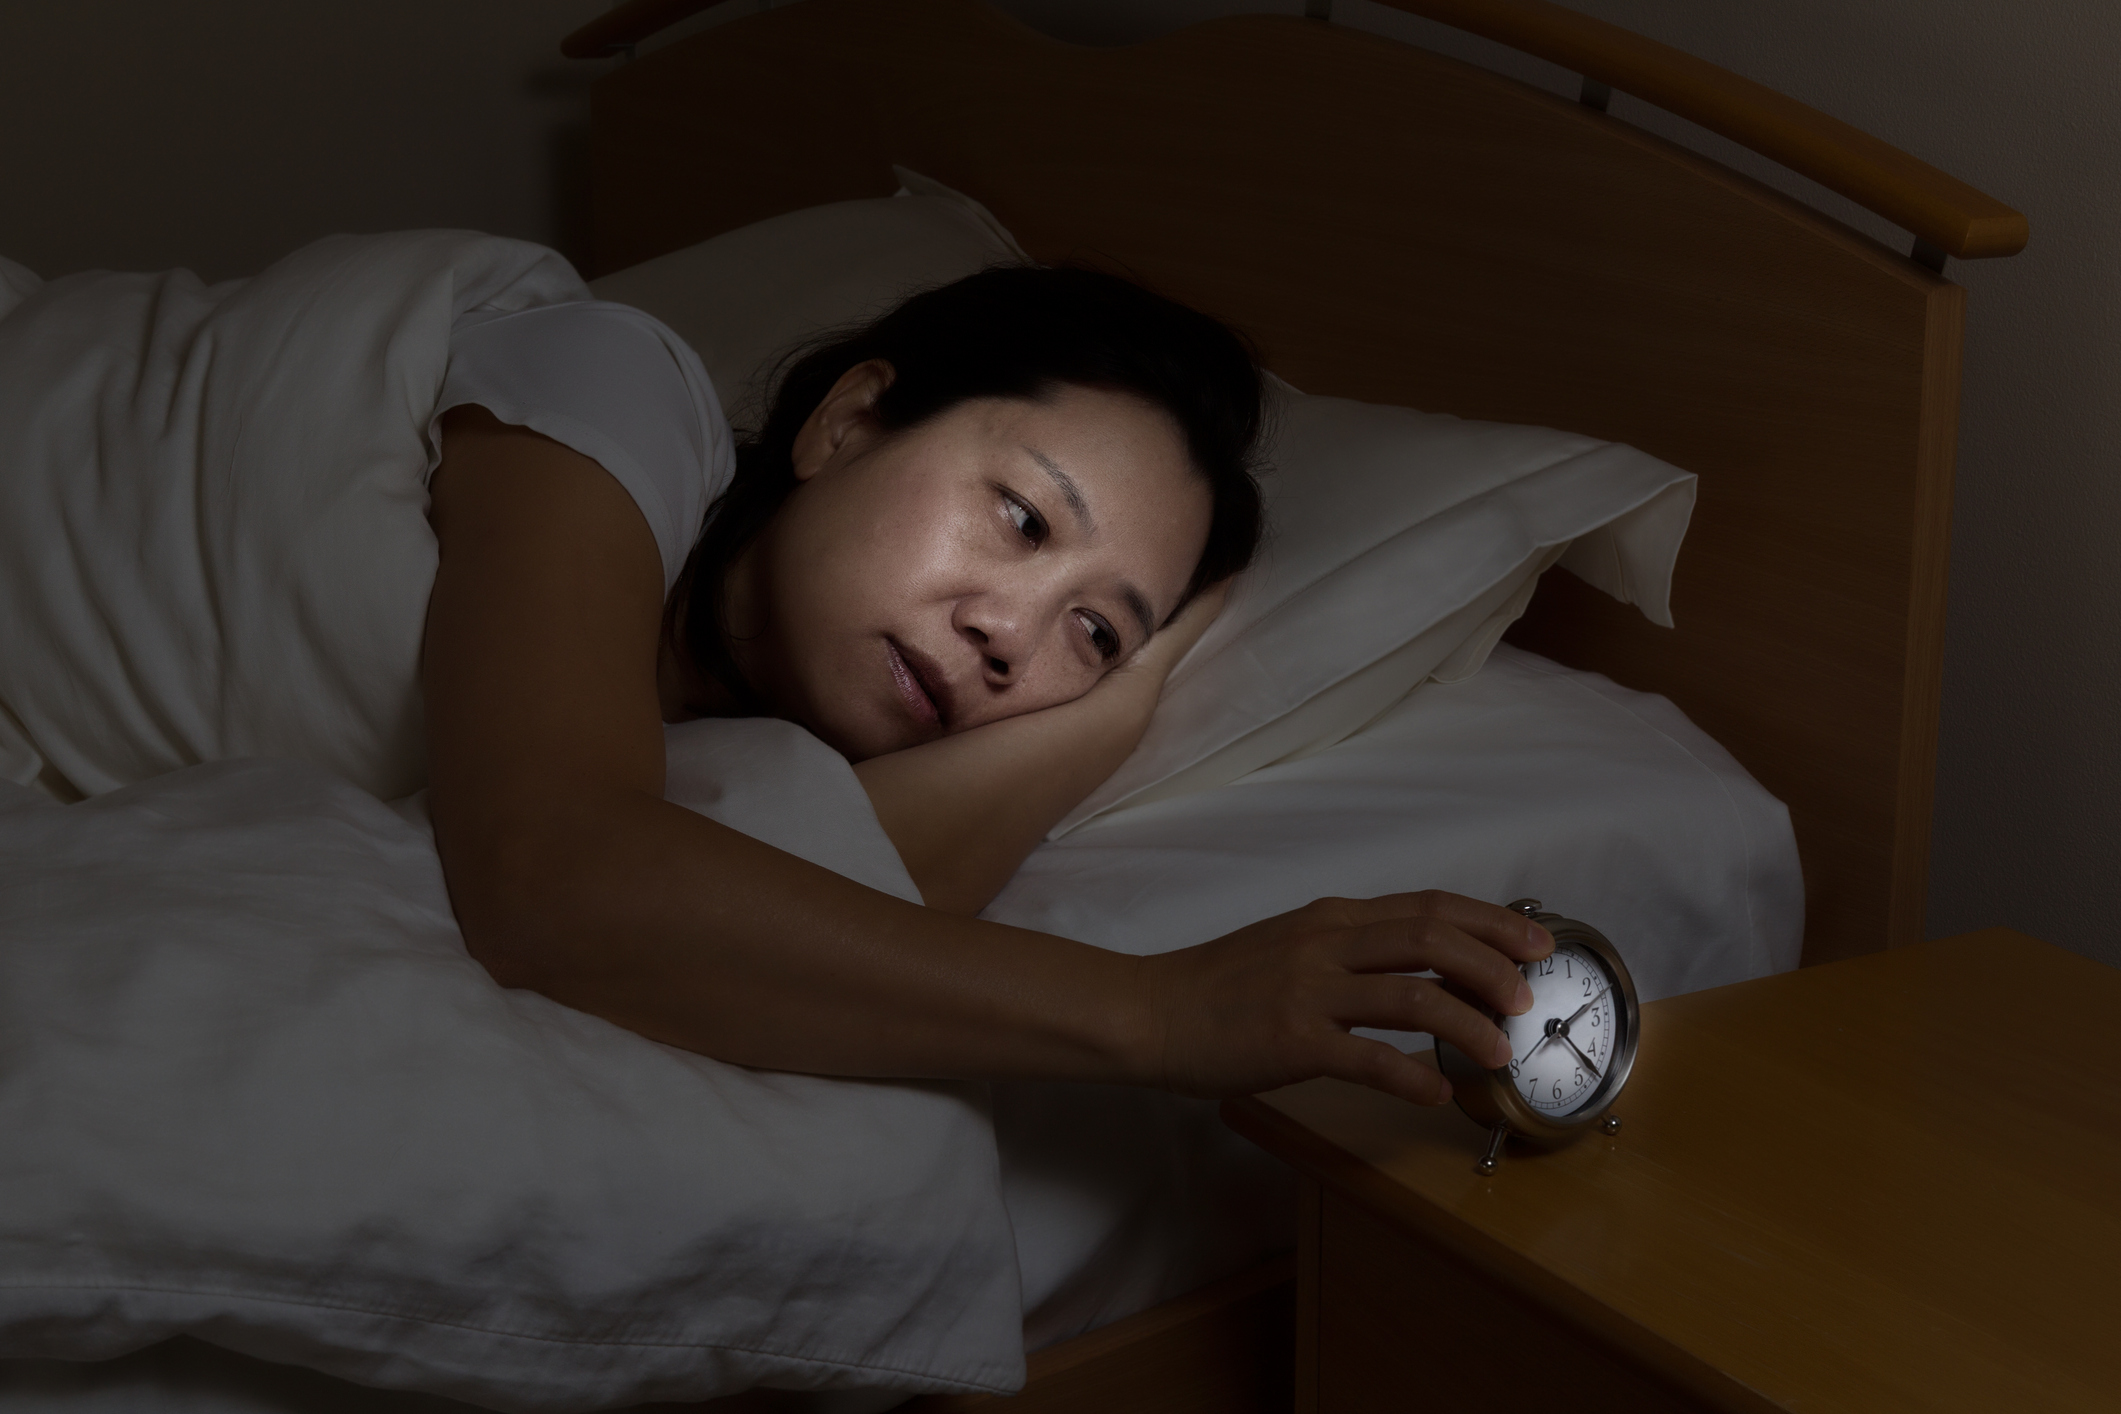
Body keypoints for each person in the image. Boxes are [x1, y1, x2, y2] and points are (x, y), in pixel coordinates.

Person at [422, 263, 1549, 1106]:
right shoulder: (610, 388)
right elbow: (550, 875)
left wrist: (1120, 704)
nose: (1010, 638)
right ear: (847, 421)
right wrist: (1158, 1011)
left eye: (1094, 629)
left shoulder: (754, 743)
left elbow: (826, 883)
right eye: (1021, 517)